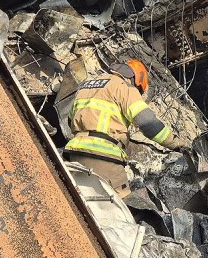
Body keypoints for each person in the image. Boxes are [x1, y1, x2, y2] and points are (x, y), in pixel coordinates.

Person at [65, 58, 185, 198]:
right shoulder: (124, 87)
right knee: (125, 205)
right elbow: (148, 124)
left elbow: (69, 120)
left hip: (75, 152)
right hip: (104, 155)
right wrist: (177, 144)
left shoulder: (86, 86)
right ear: (136, 79)